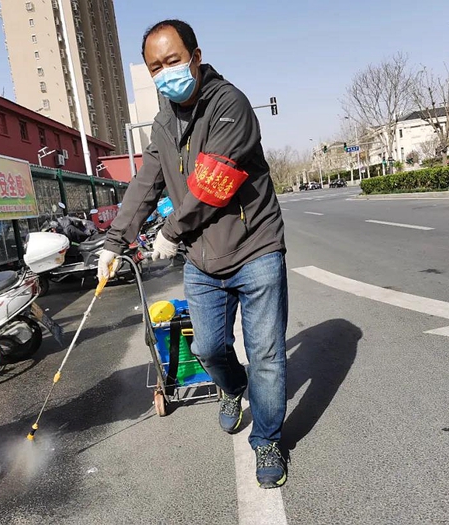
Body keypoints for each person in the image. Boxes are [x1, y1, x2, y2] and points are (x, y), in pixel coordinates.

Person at [97, 19, 288, 489]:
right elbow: (145, 185)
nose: (166, 73)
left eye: (173, 61)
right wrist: (114, 241)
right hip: (203, 260)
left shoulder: (230, 104)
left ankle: (267, 438)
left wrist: (169, 232)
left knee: (266, 355)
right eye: (155, 67)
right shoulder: (163, 123)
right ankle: (233, 387)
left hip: (255, 247)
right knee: (207, 348)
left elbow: (213, 183)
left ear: (196, 57)